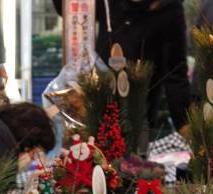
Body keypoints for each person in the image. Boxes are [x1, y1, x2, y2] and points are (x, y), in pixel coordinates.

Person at [52, 0, 191, 136]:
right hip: (96, 109)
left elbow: (176, 72)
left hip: (141, 115)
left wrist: (184, 123)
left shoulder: (169, 9)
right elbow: (67, 7)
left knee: (135, 152)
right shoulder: (108, 4)